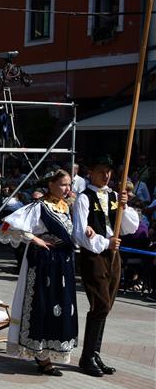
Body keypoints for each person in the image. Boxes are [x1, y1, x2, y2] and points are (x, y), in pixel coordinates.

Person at [0, 170, 78, 376]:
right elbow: (7, 225)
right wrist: (34, 239)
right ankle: (41, 356)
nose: (67, 188)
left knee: (59, 306)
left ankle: (51, 351)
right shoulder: (39, 206)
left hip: (62, 263)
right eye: (63, 184)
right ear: (51, 185)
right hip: (44, 263)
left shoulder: (66, 207)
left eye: (69, 184)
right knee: (42, 304)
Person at [72, 155, 139, 377]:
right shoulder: (84, 198)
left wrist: (124, 206)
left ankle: (95, 354)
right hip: (94, 255)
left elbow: (130, 227)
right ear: (91, 172)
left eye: (109, 171)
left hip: (114, 254)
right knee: (100, 304)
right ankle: (87, 356)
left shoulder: (113, 195)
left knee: (107, 305)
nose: (106, 175)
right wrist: (103, 242)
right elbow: (80, 234)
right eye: (101, 171)